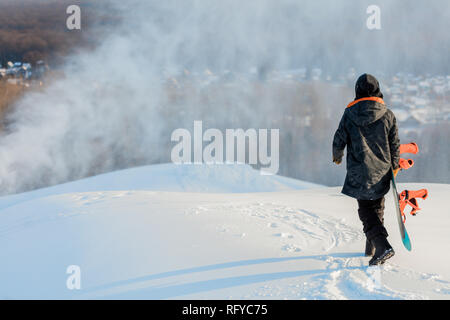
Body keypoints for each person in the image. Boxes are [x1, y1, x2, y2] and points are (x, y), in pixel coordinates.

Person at [332, 73, 400, 266]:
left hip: (359, 169)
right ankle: (372, 247)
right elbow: (394, 144)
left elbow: (339, 138)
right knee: (376, 207)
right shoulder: (388, 114)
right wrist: (394, 166)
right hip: (382, 170)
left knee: (366, 210)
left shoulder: (350, 114)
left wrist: (337, 155)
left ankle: (381, 246)